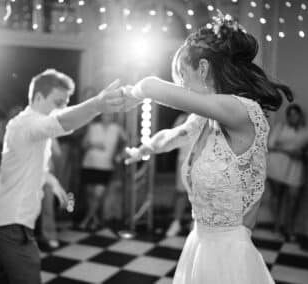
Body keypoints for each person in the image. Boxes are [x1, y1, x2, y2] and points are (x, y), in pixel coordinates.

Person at [124, 12, 293, 284]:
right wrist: (143, 150)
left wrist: (132, 92)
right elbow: (174, 134)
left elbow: (151, 86)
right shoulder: (205, 118)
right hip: (199, 245)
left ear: (203, 69)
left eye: (182, 76)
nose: (181, 87)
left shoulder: (242, 110)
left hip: (230, 257)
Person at [0, 69, 134, 284]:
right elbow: (62, 122)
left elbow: (34, 165)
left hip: (1, 222)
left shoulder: (30, 126)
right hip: (11, 226)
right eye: (58, 101)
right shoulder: (26, 123)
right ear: (38, 97)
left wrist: (53, 182)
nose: (61, 108)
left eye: (65, 102)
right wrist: (97, 105)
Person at [266, 104, 308, 241]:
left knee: (293, 198)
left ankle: (289, 227)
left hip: (295, 168)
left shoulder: (305, 131)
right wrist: (288, 150)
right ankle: (277, 226)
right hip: (277, 167)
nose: (293, 117)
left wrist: (301, 153)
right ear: (287, 116)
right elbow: (270, 144)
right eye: (290, 114)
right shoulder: (280, 128)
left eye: (296, 114)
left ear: (300, 115)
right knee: (277, 197)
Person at [79, 113, 127, 230]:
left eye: (110, 115)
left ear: (113, 117)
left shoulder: (117, 129)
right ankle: (94, 219)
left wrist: (120, 155)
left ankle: (86, 220)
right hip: (89, 164)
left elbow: (127, 141)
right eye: (105, 115)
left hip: (106, 166)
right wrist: (93, 144)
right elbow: (83, 145)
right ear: (101, 116)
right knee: (90, 194)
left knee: (98, 194)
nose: (107, 117)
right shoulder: (93, 127)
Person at [166, 113, 192, 237]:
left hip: (204, 160)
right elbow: (171, 138)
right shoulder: (182, 118)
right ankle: (176, 223)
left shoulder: (208, 115)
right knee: (181, 193)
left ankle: (196, 223)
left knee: (201, 194)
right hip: (183, 160)